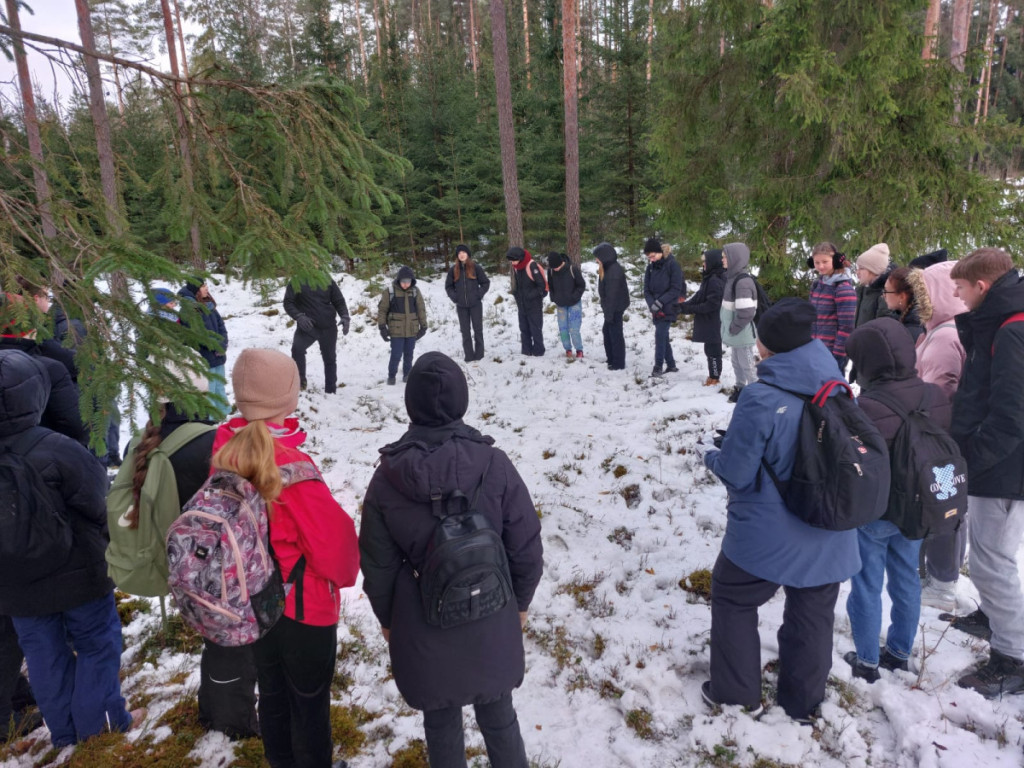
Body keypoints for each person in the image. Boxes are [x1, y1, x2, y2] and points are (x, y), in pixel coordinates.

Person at [360, 352, 543, 767]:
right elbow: (526, 545)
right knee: (499, 714)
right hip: (492, 611)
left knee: (440, 721)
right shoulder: (494, 464)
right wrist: (520, 604)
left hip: (423, 623)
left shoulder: (387, 477)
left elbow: (377, 565)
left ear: (410, 403)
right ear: (462, 399)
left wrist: (388, 620)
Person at [696, 298, 860, 721]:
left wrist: (709, 454)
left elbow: (737, 472)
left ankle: (736, 695)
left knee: (733, 596)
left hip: (767, 534)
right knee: (814, 611)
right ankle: (803, 702)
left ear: (767, 346)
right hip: (831, 527)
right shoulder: (838, 388)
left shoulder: (759, 397)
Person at [211, 348, 359, 766]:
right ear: (286, 397)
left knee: (273, 692)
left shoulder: (224, 449)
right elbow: (338, 553)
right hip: (303, 611)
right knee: (309, 704)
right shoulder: (291, 467)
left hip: (254, 601)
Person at [0, 348, 144, 747]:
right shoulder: (58, 447)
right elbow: (99, 504)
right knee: (96, 644)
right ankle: (101, 728)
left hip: (16, 585)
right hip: (79, 573)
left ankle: (66, 735)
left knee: (43, 655)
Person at [128, 364, 259, 739]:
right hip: (214, 564)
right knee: (231, 642)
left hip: (176, 561)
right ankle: (231, 721)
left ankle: (211, 706)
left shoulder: (144, 442)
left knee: (215, 640)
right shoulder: (210, 444)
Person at [842, 318, 952, 682]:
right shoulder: (934, 396)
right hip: (919, 508)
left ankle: (866, 661)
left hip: (876, 511)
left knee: (866, 585)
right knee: (907, 579)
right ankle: (900, 652)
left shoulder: (864, 406)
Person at [944, 248, 1024, 697]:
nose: (956, 295)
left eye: (961, 287)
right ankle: (994, 617)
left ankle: (1013, 657)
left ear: (982, 286)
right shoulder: (1000, 322)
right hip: (998, 461)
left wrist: (973, 457)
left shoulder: (1012, 330)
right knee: (988, 554)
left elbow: (1011, 415)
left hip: (1006, 467)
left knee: (993, 560)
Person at [909, 261, 969, 611]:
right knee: (951, 507)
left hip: (938, 442)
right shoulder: (947, 330)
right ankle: (943, 574)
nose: (920, 302)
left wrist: (921, 430)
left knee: (943, 508)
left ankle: (942, 582)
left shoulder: (945, 337)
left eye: (924, 294)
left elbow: (938, 393)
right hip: (945, 441)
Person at [282, 275, 351, 393]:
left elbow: (338, 301)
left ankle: (331, 390)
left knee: (330, 358)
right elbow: (288, 302)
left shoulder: (327, 279)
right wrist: (299, 316)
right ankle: (300, 384)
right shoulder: (297, 280)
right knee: (297, 350)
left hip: (328, 326)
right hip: (308, 326)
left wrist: (344, 316)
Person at [178, 277, 230, 419]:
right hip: (204, 358)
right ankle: (210, 420)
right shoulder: (188, 310)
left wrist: (222, 344)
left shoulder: (209, 306)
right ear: (195, 290)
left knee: (219, 388)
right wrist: (214, 346)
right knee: (209, 391)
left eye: (206, 285)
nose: (206, 288)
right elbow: (197, 334)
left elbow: (221, 326)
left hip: (218, 356)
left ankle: (223, 416)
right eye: (202, 286)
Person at [678, 248, 726, 386]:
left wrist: (690, 309)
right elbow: (699, 297)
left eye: (705, 261)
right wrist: (682, 307)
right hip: (710, 321)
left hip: (715, 321)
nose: (703, 264)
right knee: (709, 349)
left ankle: (715, 377)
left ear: (713, 262)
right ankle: (713, 376)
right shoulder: (709, 277)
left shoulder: (715, 280)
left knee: (714, 350)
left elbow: (711, 305)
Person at [808, 241, 856, 371]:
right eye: (817, 262)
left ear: (835, 261)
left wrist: (838, 355)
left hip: (832, 353)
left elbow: (847, 326)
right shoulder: (817, 285)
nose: (820, 266)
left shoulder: (843, 289)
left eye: (825, 262)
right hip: (815, 349)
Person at [720, 242, 758, 402]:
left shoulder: (742, 282)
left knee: (747, 365)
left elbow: (747, 312)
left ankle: (756, 393)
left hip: (741, 332)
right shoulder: (732, 278)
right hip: (735, 332)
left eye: (725, 257)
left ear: (734, 258)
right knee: (736, 362)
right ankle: (740, 388)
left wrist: (733, 328)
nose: (722, 260)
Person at [378, 266, 428, 385]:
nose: (406, 284)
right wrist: (382, 327)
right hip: (396, 330)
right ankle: (391, 376)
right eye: (403, 281)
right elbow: (382, 310)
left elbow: (421, 309)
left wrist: (424, 326)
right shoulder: (390, 292)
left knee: (409, 354)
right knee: (396, 354)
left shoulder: (415, 291)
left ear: (412, 281)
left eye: (408, 281)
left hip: (411, 329)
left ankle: (407, 374)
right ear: (399, 280)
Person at [642, 238, 684, 377]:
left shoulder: (672, 265)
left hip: (669, 307)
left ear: (659, 252)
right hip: (655, 309)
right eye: (649, 257)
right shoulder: (650, 268)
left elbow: (676, 288)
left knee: (659, 335)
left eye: (653, 256)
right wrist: (652, 304)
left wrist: (660, 302)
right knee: (663, 337)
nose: (651, 259)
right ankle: (671, 365)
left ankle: (658, 366)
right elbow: (646, 290)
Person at [445, 245, 490, 362]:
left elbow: (485, 283)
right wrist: (455, 297)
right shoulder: (453, 270)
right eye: (459, 253)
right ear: (457, 255)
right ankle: (469, 356)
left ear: (468, 254)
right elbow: (448, 287)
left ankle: (479, 355)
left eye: (463, 252)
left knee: (478, 330)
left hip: (475, 305)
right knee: (465, 332)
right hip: (461, 306)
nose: (461, 255)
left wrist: (478, 294)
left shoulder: (476, 268)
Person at [594, 242, 628, 370]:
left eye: (597, 257)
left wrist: (609, 314)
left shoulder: (613, 271)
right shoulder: (607, 268)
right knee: (608, 332)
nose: (596, 260)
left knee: (615, 335)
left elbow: (612, 295)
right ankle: (611, 359)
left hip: (615, 308)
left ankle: (618, 363)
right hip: (611, 308)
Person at [507, 247, 546, 356]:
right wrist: (517, 295)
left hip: (534, 304)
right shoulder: (516, 267)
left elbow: (541, 286)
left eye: (513, 260)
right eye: (511, 261)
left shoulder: (531, 266)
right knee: (524, 328)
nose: (512, 263)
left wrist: (529, 296)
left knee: (535, 328)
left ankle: (539, 351)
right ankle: (526, 350)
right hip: (522, 304)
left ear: (519, 258)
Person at [546, 252, 585, 359]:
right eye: (553, 268)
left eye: (557, 267)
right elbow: (550, 285)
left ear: (561, 263)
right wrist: (554, 297)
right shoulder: (551, 271)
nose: (555, 269)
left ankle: (579, 350)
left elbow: (581, 285)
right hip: (561, 304)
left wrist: (574, 297)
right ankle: (568, 349)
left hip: (574, 303)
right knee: (563, 329)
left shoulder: (573, 269)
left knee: (574, 329)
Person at [853, 243, 895, 329]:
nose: (857, 272)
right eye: (857, 268)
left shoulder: (884, 295)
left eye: (862, 268)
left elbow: (883, 328)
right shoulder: (861, 291)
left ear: (874, 270)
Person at [882, 267, 925, 342]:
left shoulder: (911, 331)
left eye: (886, 291)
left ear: (902, 296)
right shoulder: (902, 318)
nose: (883, 295)